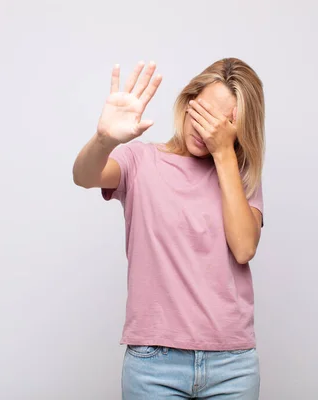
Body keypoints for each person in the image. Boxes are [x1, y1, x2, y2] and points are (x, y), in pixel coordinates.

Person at [73, 57, 266, 399]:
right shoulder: (141, 161)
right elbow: (84, 176)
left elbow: (244, 248)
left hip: (231, 365)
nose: (206, 130)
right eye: (202, 113)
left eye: (220, 123)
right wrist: (104, 139)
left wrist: (224, 155)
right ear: (188, 101)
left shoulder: (240, 177)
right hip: (154, 364)